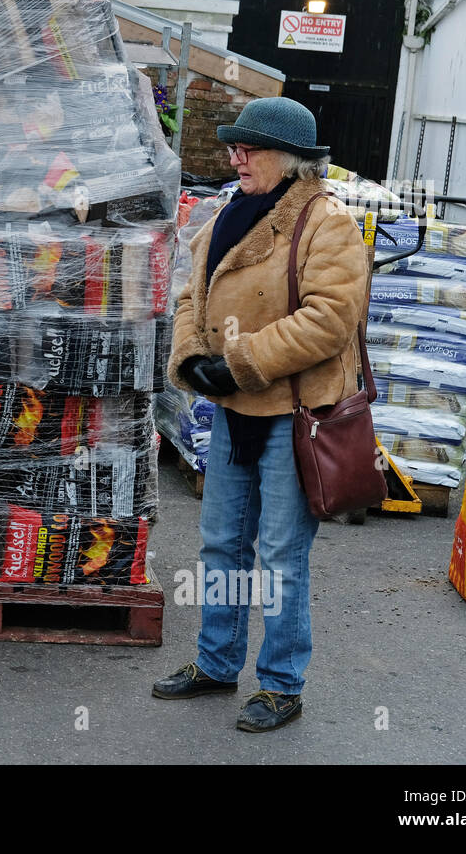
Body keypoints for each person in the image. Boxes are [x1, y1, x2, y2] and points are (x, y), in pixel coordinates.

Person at [153, 97, 370, 732]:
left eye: (249, 148)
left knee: (279, 556)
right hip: (232, 412)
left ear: (291, 160)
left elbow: (329, 320)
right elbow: (193, 290)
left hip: (292, 414)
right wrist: (193, 355)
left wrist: (242, 361)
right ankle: (217, 664)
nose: (235, 156)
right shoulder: (228, 211)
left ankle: (280, 685)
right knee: (221, 544)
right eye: (235, 147)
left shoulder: (328, 223)